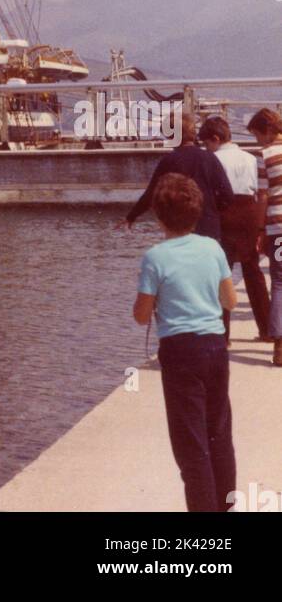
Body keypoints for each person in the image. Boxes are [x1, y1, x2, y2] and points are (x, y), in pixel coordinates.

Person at [134, 172, 237, 513]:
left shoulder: (155, 257)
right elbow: (231, 301)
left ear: (158, 216)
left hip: (180, 352)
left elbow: (141, 314)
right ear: (197, 211)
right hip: (215, 347)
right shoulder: (212, 247)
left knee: (190, 444)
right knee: (219, 433)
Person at [199, 115, 269, 344]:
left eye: (207, 143)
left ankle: (223, 333)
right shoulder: (251, 158)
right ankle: (267, 328)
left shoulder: (212, 159)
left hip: (225, 214)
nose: (206, 148)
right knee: (253, 273)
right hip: (249, 212)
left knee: (222, 274)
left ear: (215, 139)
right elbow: (260, 190)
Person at [124, 113, 234, 240]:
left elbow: (151, 194)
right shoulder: (210, 158)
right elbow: (228, 195)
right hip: (209, 228)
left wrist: (131, 217)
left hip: (181, 228)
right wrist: (212, 210)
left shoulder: (169, 160)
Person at [245, 108, 282, 368]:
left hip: (278, 228)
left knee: (280, 282)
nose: (258, 140)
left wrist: (259, 230)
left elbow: (263, 196)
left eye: (258, 134)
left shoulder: (265, 155)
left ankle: (280, 346)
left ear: (268, 130)